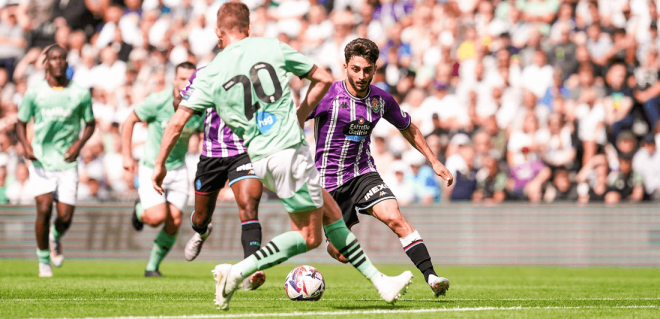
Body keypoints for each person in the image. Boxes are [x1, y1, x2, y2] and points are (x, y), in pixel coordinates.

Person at [151, 2, 413, 310]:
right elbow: (324, 79)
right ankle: (237, 272)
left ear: (218, 33)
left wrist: (159, 166)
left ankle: (382, 283)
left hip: (260, 158)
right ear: (248, 28)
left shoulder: (210, 73)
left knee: (331, 214)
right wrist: (300, 114)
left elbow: (177, 123)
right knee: (309, 237)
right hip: (288, 150)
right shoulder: (271, 47)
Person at [306, 38, 453, 297]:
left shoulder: (381, 100)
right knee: (338, 252)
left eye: (367, 70)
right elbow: (294, 117)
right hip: (327, 184)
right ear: (345, 67)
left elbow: (408, 128)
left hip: (363, 173)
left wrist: (434, 161)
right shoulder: (326, 94)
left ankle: (432, 277)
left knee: (394, 216)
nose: (361, 76)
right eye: (355, 69)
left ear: (375, 69)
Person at [179, 68, 267, 291]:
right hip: (212, 155)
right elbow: (180, 110)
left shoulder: (258, 73)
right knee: (200, 217)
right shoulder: (204, 74)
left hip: (245, 151)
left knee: (249, 205)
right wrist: (182, 99)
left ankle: (251, 268)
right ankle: (202, 231)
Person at [15, 45, 96, 277]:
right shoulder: (34, 92)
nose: (58, 62)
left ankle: (55, 237)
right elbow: (20, 123)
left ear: (67, 63)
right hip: (41, 160)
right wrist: (27, 146)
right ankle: (43, 261)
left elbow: (90, 124)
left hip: (67, 161)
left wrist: (78, 145)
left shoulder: (80, 93)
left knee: (65, 216)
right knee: (43, 208)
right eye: (53, 58)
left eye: (62, 58)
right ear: (46, 63)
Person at [121, 62, 204, 277]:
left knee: (174, 221)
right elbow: (129, 120)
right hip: (152, 167)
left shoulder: (200, 106)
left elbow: (206, 132)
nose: (186, 82)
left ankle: (152, 267)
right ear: (174, 80)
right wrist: (127, 155)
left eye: (190, 78)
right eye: (182, 78)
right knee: (157, 217)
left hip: (178, 169)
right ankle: (140, 211)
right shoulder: (158, 101)